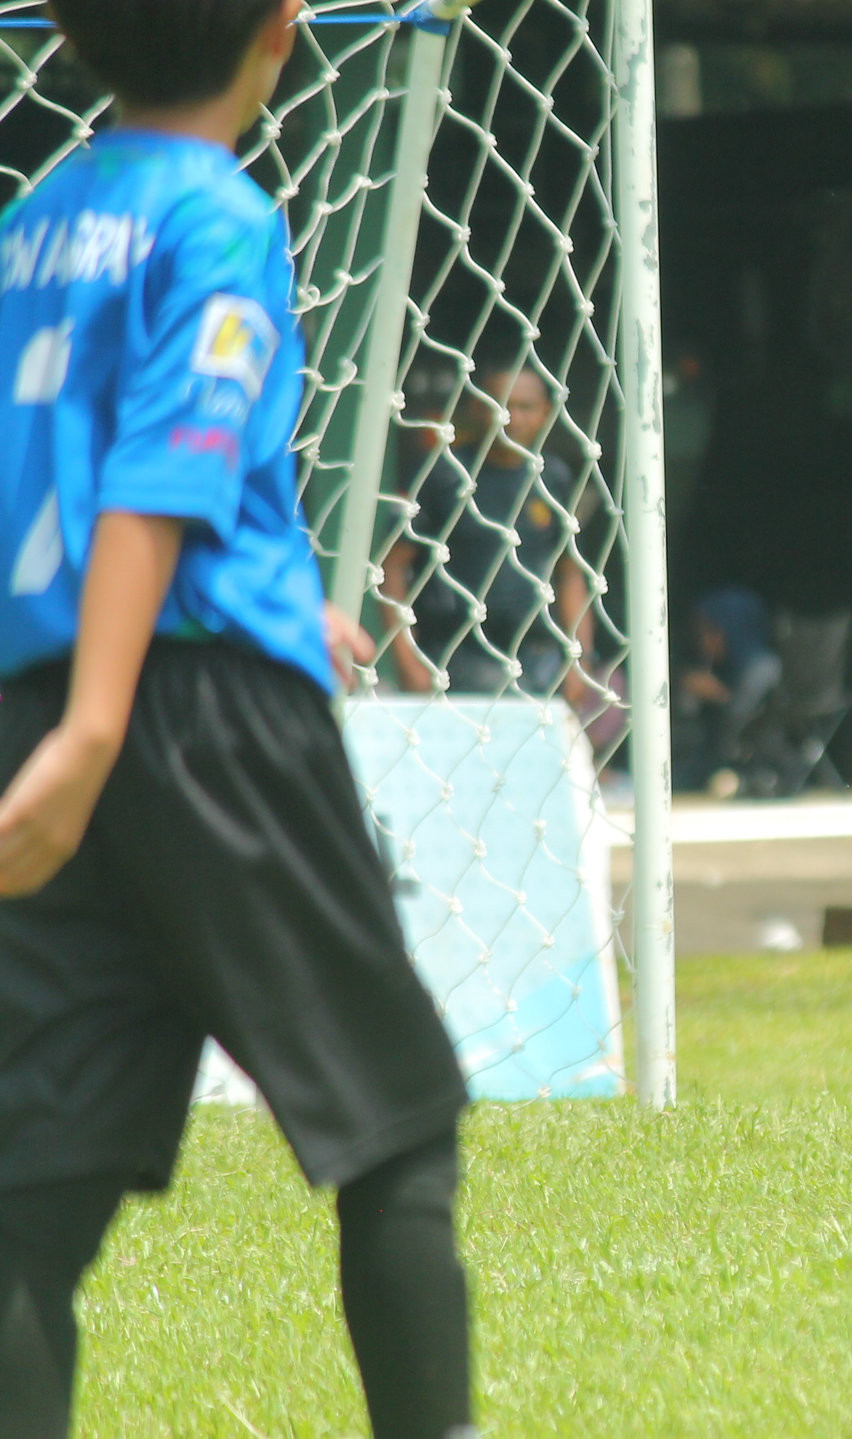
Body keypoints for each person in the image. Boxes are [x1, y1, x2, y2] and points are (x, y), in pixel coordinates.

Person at [0, 4, 474, 1437]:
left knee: (33, 1180)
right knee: (395, 1120)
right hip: (189, 713)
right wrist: (102, 724)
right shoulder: (221, 214)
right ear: (284, 34)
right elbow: (161, 466)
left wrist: (65, 724)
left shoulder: (32, 221)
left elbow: (62, 472)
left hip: (39, 698)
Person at [380, 362, 595, 708]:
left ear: (545, 412)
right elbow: (391, 568)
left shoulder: (553, 479)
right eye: (500, 405)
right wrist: (408, 660)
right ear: (477, 408)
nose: (512, 417)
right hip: (455, 657)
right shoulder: (443, 473)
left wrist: (578, 663)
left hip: (537, 659)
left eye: (525, 407)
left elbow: (571, 574)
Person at [674, 585, 781, 796]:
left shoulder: (762, 667)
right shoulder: (725, 667)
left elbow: (744, 717)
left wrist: (719, 695)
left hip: (750, 762)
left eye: (711, 631)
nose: (704, 642)